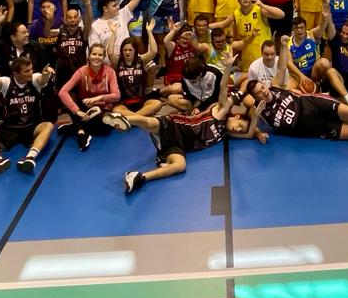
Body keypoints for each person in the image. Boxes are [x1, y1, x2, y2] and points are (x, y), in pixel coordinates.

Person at [103, 53, 253, 195]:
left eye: (239, 130)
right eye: (240, 125)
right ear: (237, 116)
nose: (237, 129)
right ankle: (124, 120)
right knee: (149, 122)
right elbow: (222, 87)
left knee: (180, 166)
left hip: (180, 145)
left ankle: (138, 177)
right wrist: (228, 68)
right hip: (177, 125)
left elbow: (249, 134)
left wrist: (257, 119)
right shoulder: (221, 112)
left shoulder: (224, 133)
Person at [245, 37, 348, 146]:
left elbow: (281, 67)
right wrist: (259, 133)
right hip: (311, 127)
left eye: (262, 87)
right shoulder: (258, 111)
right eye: (259, 93)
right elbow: (252, 128)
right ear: (255, 97)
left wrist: (282, 46)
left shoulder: (274, 85)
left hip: (313, 104)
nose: (263, 92)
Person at [0, 57, 55, 180]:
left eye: (31, 69)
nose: (30, 73)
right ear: (16, 73)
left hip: (31, 127)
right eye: (26, 71)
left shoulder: (34, 80)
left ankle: (30, 157)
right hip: (9, 128)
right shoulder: (7, 82)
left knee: (48, 126)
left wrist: (46, 74)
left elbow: (42, 80)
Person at [58, 43, 121, 151]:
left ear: (104, 57)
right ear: (89, 55)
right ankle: (81, 134)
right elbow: (62, 92)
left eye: (100, 55)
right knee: (71, 96)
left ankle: (75, 127)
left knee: (105, 128)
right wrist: (78, 111)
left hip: (101, 109)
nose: (96, 57)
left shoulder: (110, 72)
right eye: (94, 54)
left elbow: (117, 96)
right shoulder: (82, 71)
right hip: (84, 108)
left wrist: (99, 98)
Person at [212, 0, 284, 71]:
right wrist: (204, 26)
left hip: (263, 59)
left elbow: (281, 14)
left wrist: (263, 5)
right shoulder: (236, 14)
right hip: (247, 61)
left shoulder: (259, 10)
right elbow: (222, 24)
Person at [89, 0, 156, 60]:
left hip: (128, 60)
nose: (118, 7)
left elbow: (134, 1)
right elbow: (94, 51)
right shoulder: (96, 26)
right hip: (108, 64)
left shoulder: (122, 14)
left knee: (153, 67)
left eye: (117, 4)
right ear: (105, 9)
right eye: (114, 5)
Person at [110, 28, 163, 117]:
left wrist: (149, 32)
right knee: (116, 109)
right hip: (124, 104)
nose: (127, 52)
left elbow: (153, 51)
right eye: (125, 50)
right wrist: (113, 33)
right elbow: (110, 52)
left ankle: (132, 118)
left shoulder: (141, 60)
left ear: (135, 51)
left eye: (130, 50)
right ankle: (139, 118)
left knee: (157, 104)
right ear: (121, 51)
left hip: (141, 102)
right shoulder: (118, 62)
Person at [53, 0, 94, 84]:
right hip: (63, 73)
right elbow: (46, 33)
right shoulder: (60, 32)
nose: (72, 20)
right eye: (70, 17)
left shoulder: (83, 32)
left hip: (79, 71)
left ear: (79, 19)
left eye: (75, 17)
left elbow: (89, 19)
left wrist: (87, 2)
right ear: (65, 20)